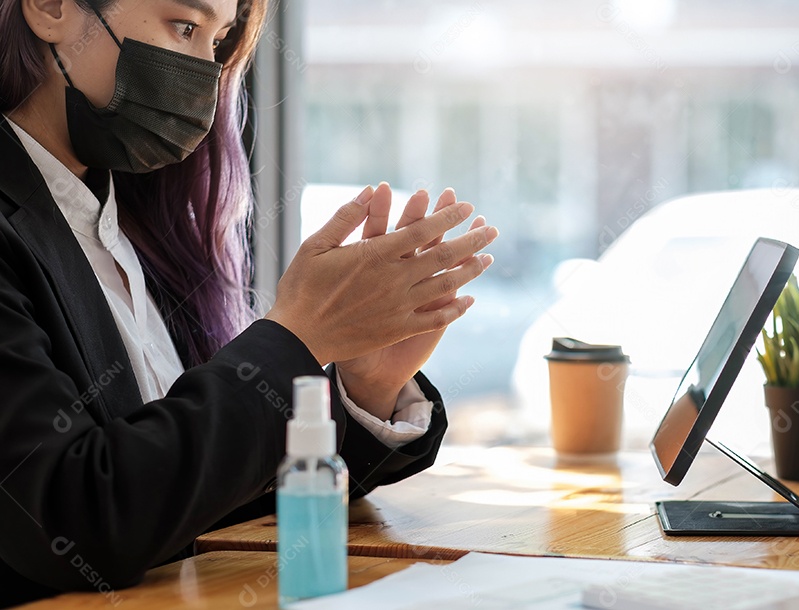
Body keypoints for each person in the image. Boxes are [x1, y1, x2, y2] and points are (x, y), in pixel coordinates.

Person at [0, 0, 498, 605]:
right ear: (51, 9)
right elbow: (67, 518)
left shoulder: (131, 222)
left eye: (217, 42)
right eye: (184, 26)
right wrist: (295, 340)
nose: (203, 75)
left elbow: (192, 479)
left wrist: (363, 387)